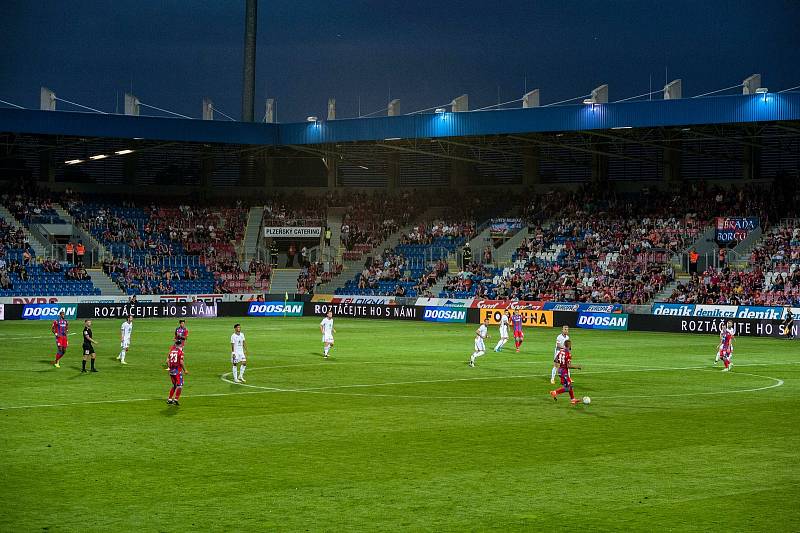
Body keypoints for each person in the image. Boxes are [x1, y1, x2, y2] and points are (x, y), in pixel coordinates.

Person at [550, 340, 582, 404]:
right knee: (568, 387)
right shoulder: (568, 354)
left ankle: (573, 399)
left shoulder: (561, 351)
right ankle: (555, 392)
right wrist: (577, 367)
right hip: (564, 372)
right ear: (569, 345)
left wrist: (558, 365)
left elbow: (556, 359)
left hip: (560, 370)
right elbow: (568, 366)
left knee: (569, 385)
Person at [166, 339, 187, 406]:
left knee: (174, 385)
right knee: (180, 385)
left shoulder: (171, 351)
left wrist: (169, 368)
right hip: (177, 371)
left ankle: (169, 399)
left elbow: (167, 361)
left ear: (175, 344)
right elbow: (181, 362)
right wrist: (185, 370)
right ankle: (176, 399)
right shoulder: (180, 352)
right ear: (180, 344)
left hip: (171, 371)